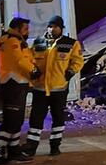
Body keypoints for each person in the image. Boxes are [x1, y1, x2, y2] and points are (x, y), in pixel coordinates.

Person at [23, 16, 83, 157]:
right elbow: (29, 59)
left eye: (55, 26)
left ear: (61, 28)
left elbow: (78, 61)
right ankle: (31, 147)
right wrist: (33, 71)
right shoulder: (39, 42)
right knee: (36, 118)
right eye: (50, 26)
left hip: (59, 89)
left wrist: (70, 72)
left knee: (58, 118)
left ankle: (55, 146)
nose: (52, 29)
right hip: (40, 89)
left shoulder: (70, 44)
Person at [0, 18, 40, 165]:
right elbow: (20, 61)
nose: (28, 31)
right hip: (13, 85)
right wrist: (34, 71)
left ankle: (13, 151)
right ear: (17, 29)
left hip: (18, 85)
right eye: (25, 28)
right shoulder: (12, 42)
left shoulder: (14, 40)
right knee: (10, 122)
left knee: (17, 122)